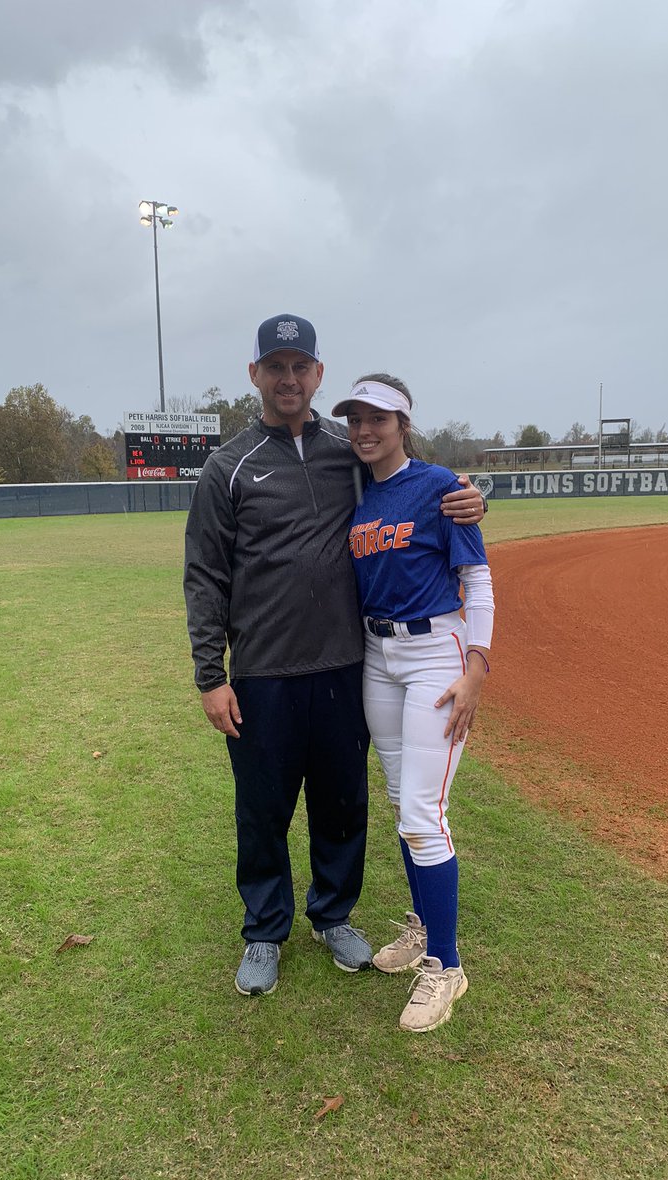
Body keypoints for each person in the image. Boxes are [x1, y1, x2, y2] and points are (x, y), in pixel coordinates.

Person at [183, 315, 487, 998]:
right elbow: (205, 575)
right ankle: (264, 930)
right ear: (255, 374)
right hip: (261, 671)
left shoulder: (345, 450)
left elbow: (412, 480)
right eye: (275, 367)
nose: (288, 379)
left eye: (301, 366)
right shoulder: (228, 466)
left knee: (342, 804)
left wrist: (466, 496)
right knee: (262, 810)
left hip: (348, 665)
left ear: (317, 374)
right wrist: (211, 676)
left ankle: (332, 914)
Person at [331, 372, 494, 1033]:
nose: (366, 429)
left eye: (380, 418)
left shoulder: (440, 487)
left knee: (426, 814)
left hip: (435, 652)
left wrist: (478, 668)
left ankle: (447, 967)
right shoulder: (358, 493)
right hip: (379, 656)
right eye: (357, 419)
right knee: (404, 806)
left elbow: (476, 579)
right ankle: (428, 931)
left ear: (404, 424)